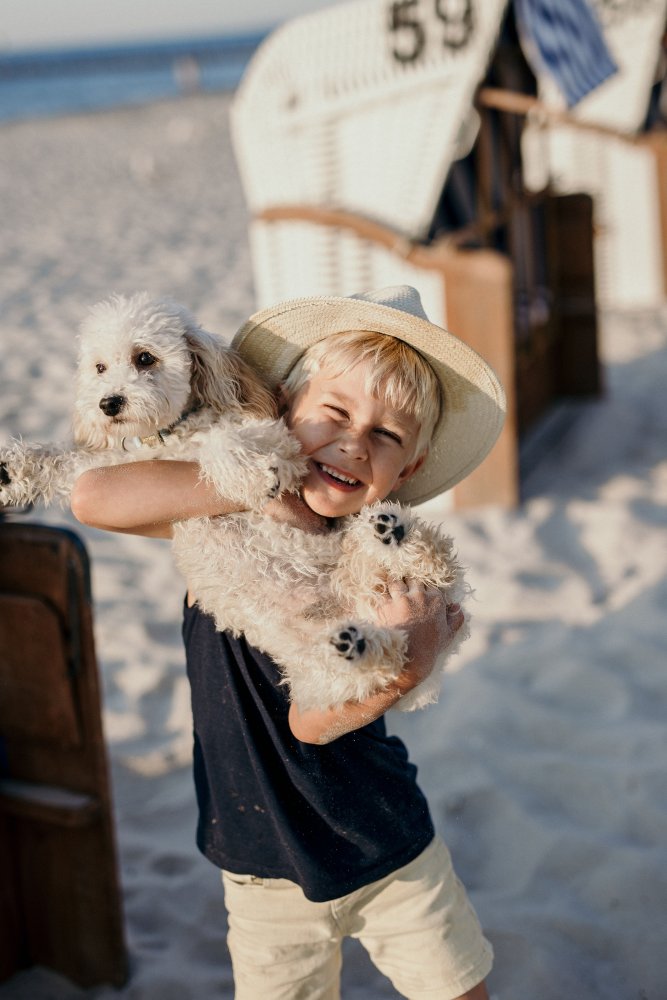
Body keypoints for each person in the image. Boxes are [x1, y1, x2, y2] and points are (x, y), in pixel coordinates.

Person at [72, 285, 505, 1000]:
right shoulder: (216, 524)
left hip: (387, 848)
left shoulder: (371, 565)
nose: (352, 443)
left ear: (409, 472)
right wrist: (256, 482)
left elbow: (310, 719)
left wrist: (406, 667)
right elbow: (93, 499)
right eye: (332, 413)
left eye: (386, 437)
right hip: (258, 868)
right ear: (281, 409)